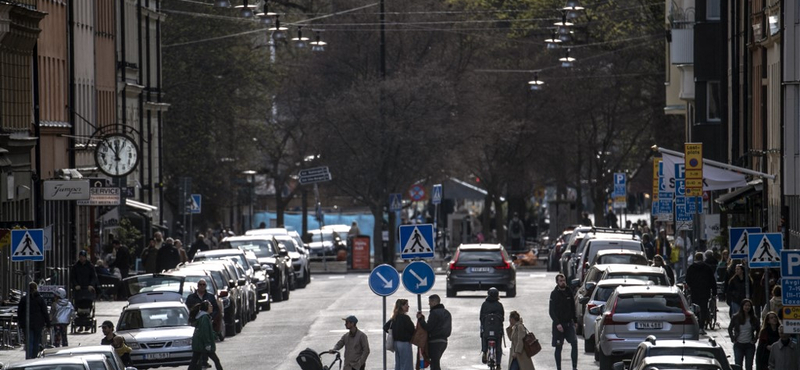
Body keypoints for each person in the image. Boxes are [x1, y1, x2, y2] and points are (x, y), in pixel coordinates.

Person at [549, 273, 578, 370]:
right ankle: (559, 367)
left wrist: (575, 320)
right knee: (558, 347)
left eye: (564, 280)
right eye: (560, 281)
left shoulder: (569, 291)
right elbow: (551, 311)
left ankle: (574, 367)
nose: (563, 282)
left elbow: (573, 307)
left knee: (574, 343)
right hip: (559, 325)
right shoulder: (554, 294)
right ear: (557, 282)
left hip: (569, 323)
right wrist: (557, 323)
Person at [417, 294, 452, 370]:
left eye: (430, 302)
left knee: (434, 364)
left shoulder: (434, 313)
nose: (429, 304)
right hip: (444, 341)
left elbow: (428, 327)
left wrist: (421, 320)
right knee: (435, 362)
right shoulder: (447, 313)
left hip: (434, 341)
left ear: (434, 302)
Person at [686, 251, 717, 334]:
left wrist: (690, 287)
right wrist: (714, 292)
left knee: (695, 308)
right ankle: (701, 326)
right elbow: (712, 281)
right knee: (703, 308)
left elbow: (687, 280)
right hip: (705, 291)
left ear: (695, 258)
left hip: (695, 291)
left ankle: (696, 324)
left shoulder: (691, 268)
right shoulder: (707, 268)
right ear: (702, 259)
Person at [18, 282, 51, 359]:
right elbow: (45, 312)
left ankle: (29, 356)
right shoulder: (40, 299)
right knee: (36, 341)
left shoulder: (24, 299)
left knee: (29, 341)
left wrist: (20, 322)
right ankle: (34, 356)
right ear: (36, 289)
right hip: (38, 323)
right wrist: (48, 323)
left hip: (27, 323)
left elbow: (19, 312)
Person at [188, 301, 223, 370]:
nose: (212, 307)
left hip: (199, 344)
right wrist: (207, 344)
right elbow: (205, 332)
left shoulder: (203, 317)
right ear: (206, 308)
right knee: (216, 360)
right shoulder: (204, 318)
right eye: (210, 306)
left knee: (194, 361)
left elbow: (208, 330)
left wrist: (215, 335)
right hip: (202, 344)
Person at [384, 299, 415, 370]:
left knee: (398, 363)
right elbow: (412, 330)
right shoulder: (405, 318)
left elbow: (385, 327)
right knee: (406, 364)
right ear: (401, 306)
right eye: (406, 305)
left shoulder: (394, 317)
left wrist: (393, 332)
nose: (408, 306)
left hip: (396, 343)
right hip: (404, 343)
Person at [729, 299, 760, 370]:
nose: (747, 307)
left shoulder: (754, 318)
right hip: (738, 345)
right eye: (745, 305)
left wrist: (755, 339)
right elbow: (730, 328)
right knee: (738, 365)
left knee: (749, 366)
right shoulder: (736, 317)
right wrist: (733, 338)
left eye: (749, 306)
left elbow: (758, 329)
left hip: (749, 345)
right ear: (742, 306)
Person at [480, 287, 505, 365]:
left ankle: (484, 351)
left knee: (483, 336)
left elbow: (481, 317)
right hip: (497, 330)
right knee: (498, 346)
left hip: (487, 329)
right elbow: (502, 318)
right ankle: (498, 364)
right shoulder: (499, 305)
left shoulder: (484, 304)